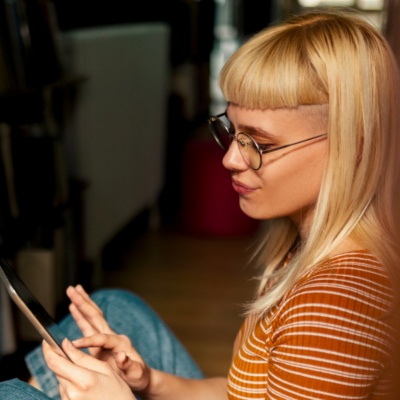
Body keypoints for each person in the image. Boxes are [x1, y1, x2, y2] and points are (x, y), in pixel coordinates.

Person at [1, 7, 400, 400]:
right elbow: (244, 392)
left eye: (259, 144)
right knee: (116, 308)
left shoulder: (335, 305)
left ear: (354, 146)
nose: (230, 158)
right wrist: (146, 383)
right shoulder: (308, 249)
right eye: (231, 130)